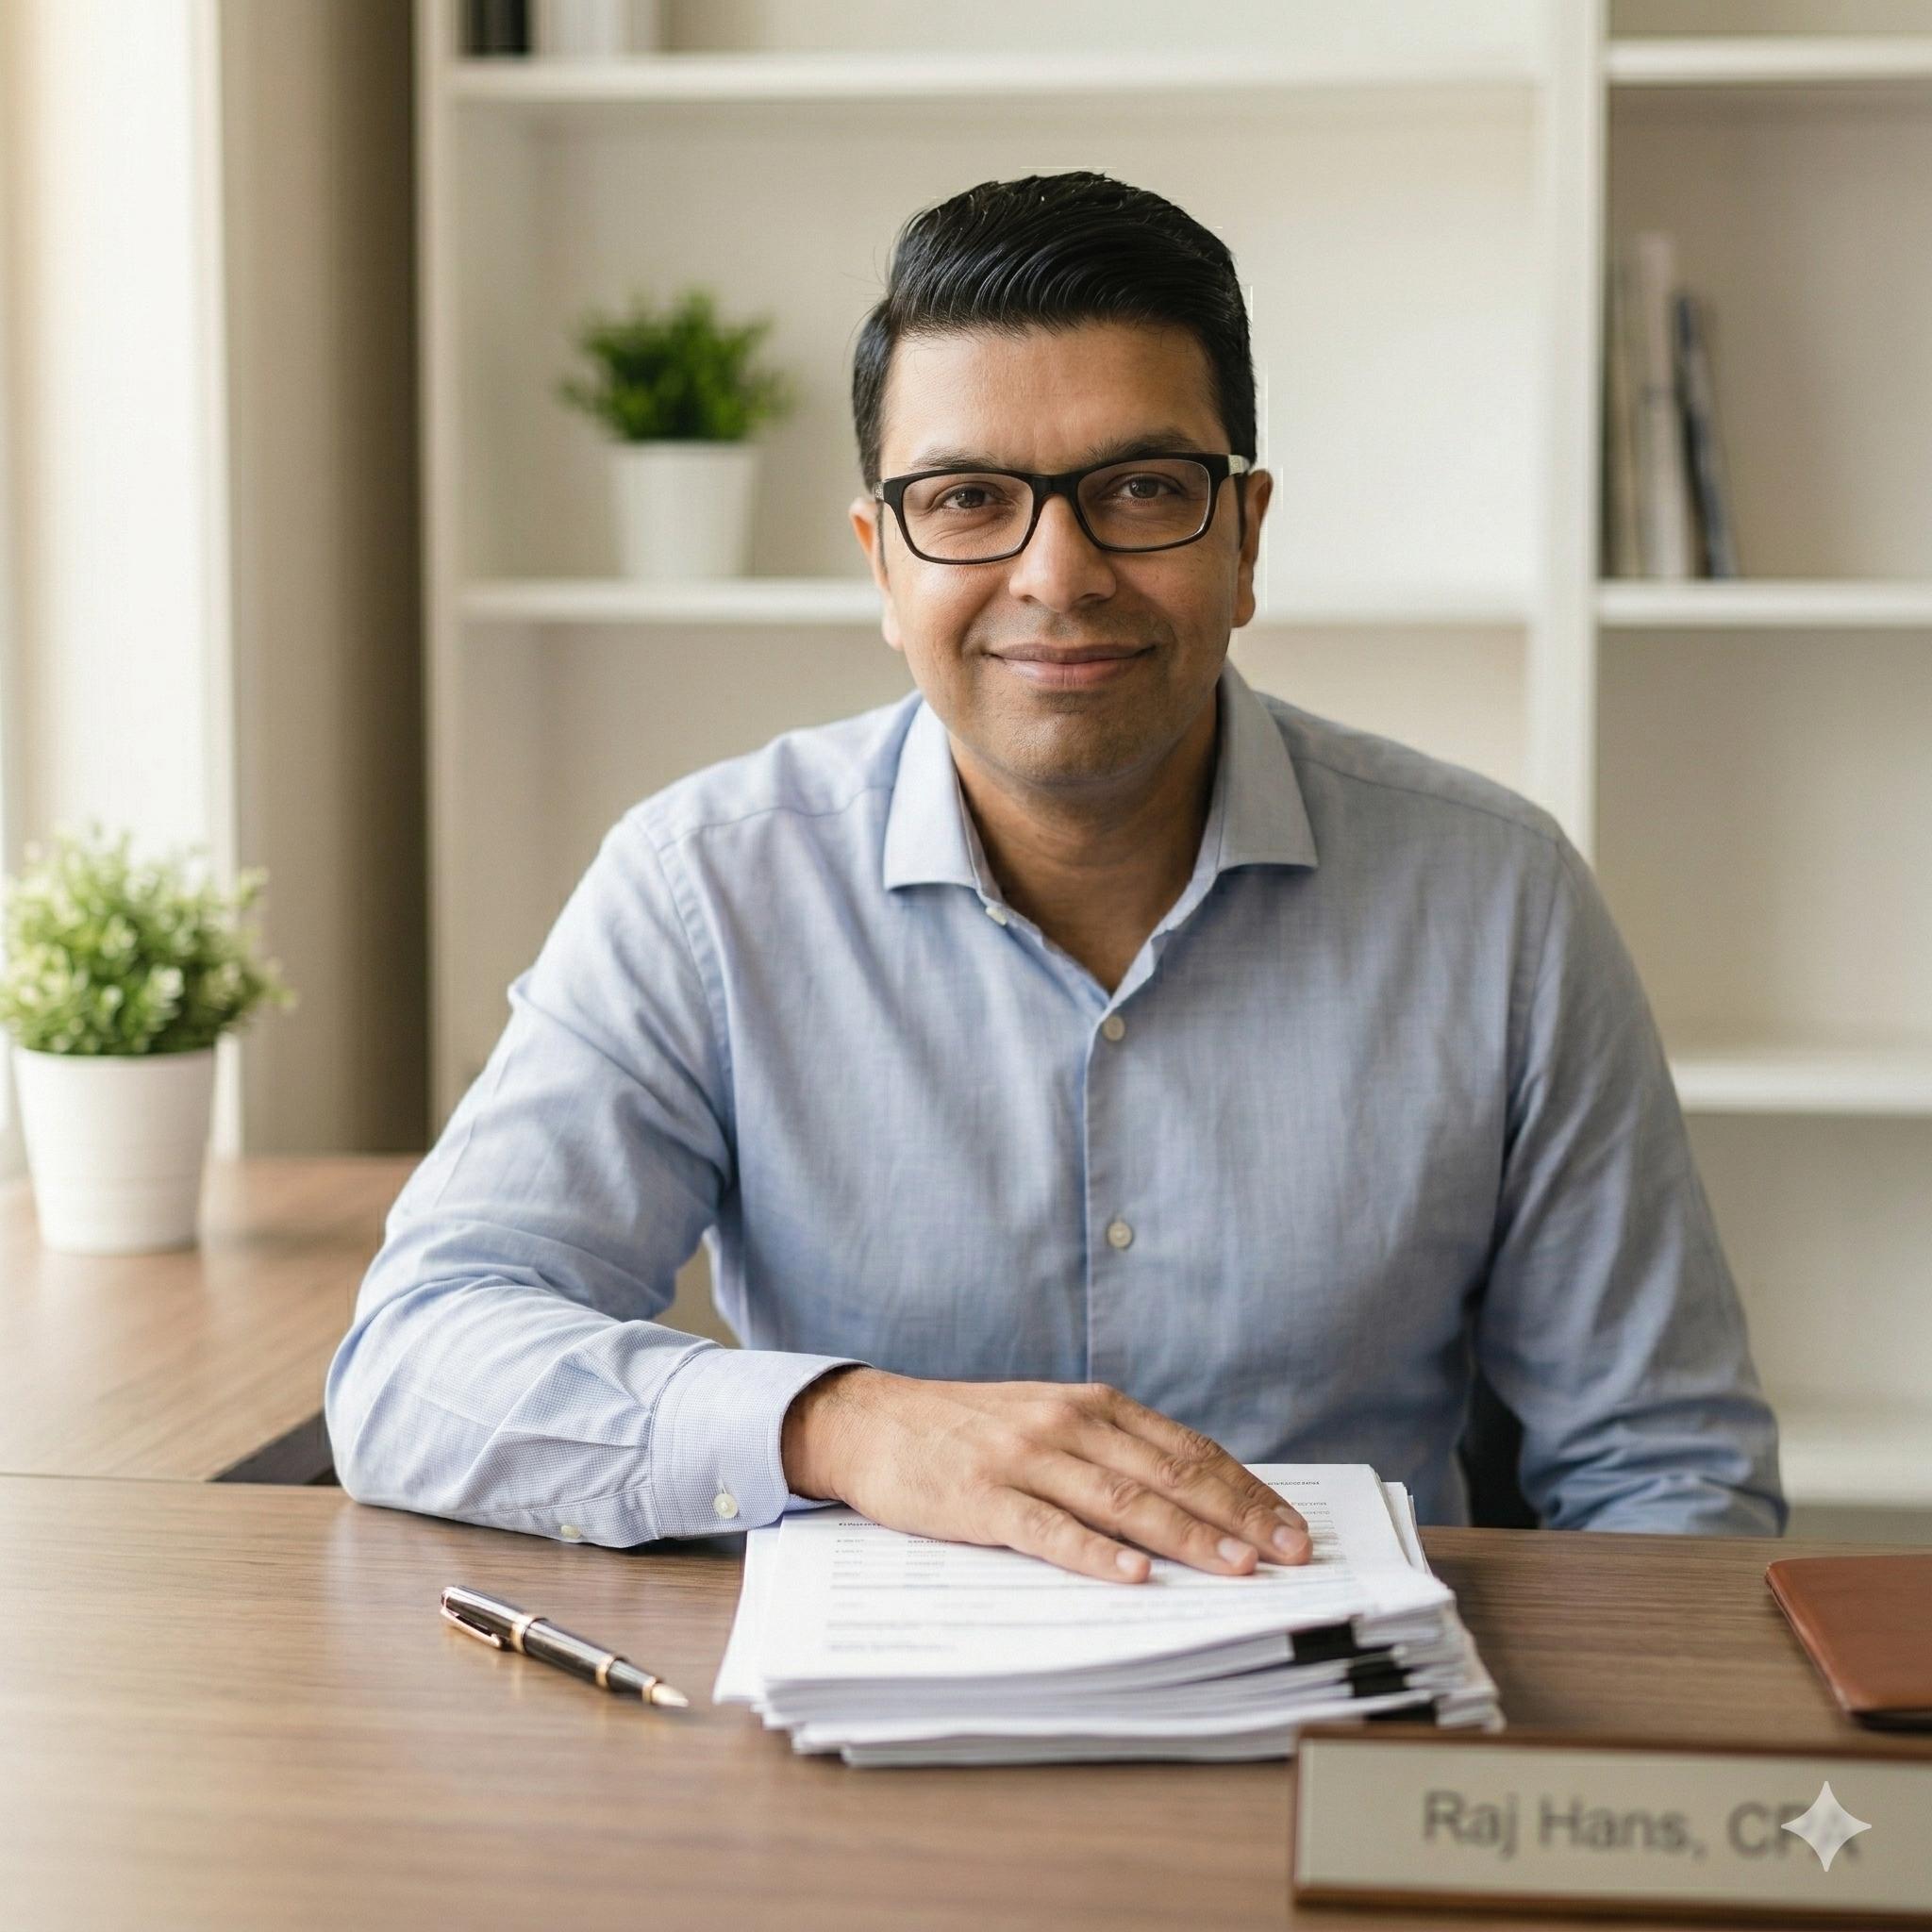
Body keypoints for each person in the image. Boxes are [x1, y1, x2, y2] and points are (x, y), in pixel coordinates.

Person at [324, 171, 1785, 1582]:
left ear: (1248, 535)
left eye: (1142, 489)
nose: (1059, 572)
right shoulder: (701, 890)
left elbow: (1671, 1475)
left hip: (1339, 1747)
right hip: (864, 1765)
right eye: (966, 500)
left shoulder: (1499, 900)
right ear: (882, 564)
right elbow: (415, 1361)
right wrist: (837, 1421)